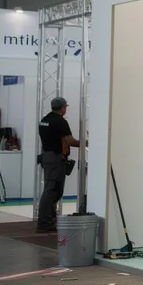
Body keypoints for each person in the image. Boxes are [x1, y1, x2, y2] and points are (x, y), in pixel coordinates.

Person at [36, 97, 82, 232]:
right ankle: (44, 222)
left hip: (47, 156)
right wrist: (86, 143)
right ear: (62, 108)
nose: (66, 109)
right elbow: (69, 141)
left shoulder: (44, 120)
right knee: (52, 190)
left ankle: (49, 220)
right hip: (55, 158)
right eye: (65, 107)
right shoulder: (60, 122)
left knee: (53, 190)